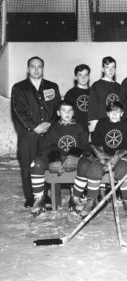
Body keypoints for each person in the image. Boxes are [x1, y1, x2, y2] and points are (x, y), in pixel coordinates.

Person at [11, 56, 61, 208]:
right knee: (28, 164)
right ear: (28, 69)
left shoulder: (52, 86)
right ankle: (31, 197)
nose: (36, 69)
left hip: (48, 134)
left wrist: (49, 123)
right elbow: (18, 111)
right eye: (33, 66)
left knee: (45, 164)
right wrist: (34, 126)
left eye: (39, 66)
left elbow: (58, 108)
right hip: (29, 135)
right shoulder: (19, 88)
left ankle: (44, 195)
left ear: (43, 68)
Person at [74, 101, 127, 218]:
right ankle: (91, 201)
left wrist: (116, 158)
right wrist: (103, 157)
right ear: (107, 113)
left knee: (122, 169)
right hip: (104, 156)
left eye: (117, 112)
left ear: (122, 113)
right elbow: (95, 144)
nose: (114, 115)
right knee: (93, 169)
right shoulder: (102, 123)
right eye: (111, 112)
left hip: (122, 156)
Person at [29, 100, 90, 216]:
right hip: (58, 158)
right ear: (58, 113)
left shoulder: (79, 127)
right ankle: (39, 198)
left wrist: (75, 154)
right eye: (63, 110)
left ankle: (75, 198)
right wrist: (54, 158)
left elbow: (86, 147)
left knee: (86, 165)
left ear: (73, 113)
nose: (67, 113)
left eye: (70, 110)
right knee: (36, 163)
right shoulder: (53, 128)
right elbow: (45, 147)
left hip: (74, 158)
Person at [87, 56, 120, 133]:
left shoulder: (118, 86)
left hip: (116, 125)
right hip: (101, 125)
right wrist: (93, 127)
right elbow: (92, 107)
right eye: (107, 67)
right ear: (102, 69)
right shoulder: (96, 85)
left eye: (113, 67)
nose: (110, 70)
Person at [64, 64, 91, 132]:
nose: (83, 78)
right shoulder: (70, 94)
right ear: (75, 77)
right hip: (76, 131)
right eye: (80, 75)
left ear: (89, 77)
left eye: (86, 75)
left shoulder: (94, 92)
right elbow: (66, 116)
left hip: (92, 130)